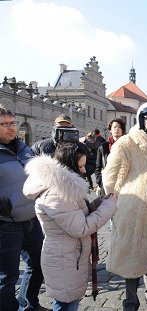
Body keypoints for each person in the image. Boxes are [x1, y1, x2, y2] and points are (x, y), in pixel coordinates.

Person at [22, 143, 117, 311]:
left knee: (68, 301)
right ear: (69, 166)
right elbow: (80, 228)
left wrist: (98, 203)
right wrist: (107, 207)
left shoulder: (63, 188)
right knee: (65, 303)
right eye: (80, 166)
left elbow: (77, 214)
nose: (83, 170)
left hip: (69, 255)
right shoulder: (57, 193)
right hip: (64, 258)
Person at [102, 102, 147, 311]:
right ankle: (130, 301)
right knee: (132, 257)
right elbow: (109, 177)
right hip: (133, 208)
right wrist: (116, 202)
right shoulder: (125, 143)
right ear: (141, 120)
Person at [0, 105, 47, 311]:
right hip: (6, 225)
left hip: (33, 220)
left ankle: (28, 304)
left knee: (39, 265)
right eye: (4, 125)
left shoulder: (25, 148)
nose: (11, 128)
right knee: (8, 276)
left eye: (13, 123)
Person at [31, 114, 96, 182]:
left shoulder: (80, 146)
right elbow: (30, 165)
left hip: (75, 185)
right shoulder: (41, 146)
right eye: (61, 124)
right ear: (54, 127)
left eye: (67, 125)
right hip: (49, 185)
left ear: (72, 126)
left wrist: (79, 171)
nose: (64, 127)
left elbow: (91, 163)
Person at [94, 118, 126, 195]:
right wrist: (100, 183)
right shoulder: (103, 147)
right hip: (107, 184)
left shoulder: (127, 146)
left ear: (123, 130)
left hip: (124, 184)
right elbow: (98, 168)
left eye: (119, 127)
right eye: (114, 127)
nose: (117, 129)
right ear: (110, 130)